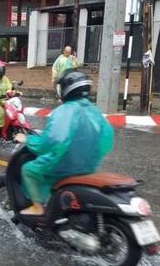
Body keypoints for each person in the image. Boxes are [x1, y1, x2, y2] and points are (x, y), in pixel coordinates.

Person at [13, 70, 114, 216]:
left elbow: (49, 142)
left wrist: (27, 139)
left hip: (63, 167)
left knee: (29, 170)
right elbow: (107, 142)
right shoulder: (95, 112)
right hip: (88, 167)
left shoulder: (64, 111)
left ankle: (37, 207)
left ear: (66, 89)